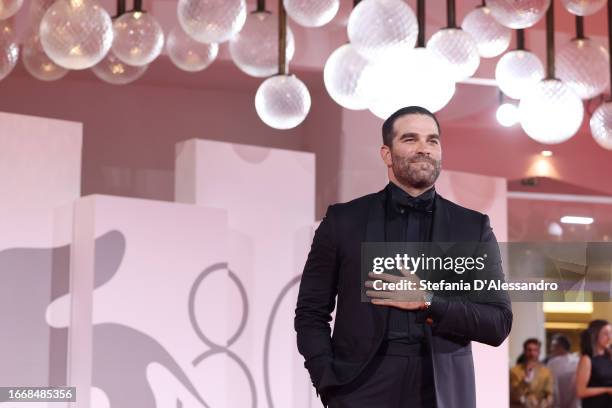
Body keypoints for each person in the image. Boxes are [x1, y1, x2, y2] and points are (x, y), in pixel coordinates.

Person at [294, 106, 513, 408]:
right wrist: (327, 379)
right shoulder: (344, 220)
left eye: (432, 140)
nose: (424, 148)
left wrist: (428, 301)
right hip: (360, 386)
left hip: (440, 391)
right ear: (386, 153)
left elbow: (498, 323)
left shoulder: (472, 227)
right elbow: (310, 312)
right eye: (410, 139)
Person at [575, 319, 612, 408]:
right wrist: (606, 390)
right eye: (605, 334)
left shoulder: (608, 357)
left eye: (611, 333)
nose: (609, 337)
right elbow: (580, 392)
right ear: (595, 335)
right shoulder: (587, 359)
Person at [510, 338, 553, 408]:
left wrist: (546, 402)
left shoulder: (546, 372)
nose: (532, 353)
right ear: (524, 351)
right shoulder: (514, 371)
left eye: (535, 350)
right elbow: (513, 395)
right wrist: (524, 381)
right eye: (529, 350)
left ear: (539, 352)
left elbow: (549, 393)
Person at [547, 334, 579, 408]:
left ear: (560, 347)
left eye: (553, 346)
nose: (551, 349)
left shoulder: (553, 363)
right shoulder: (578, 361)